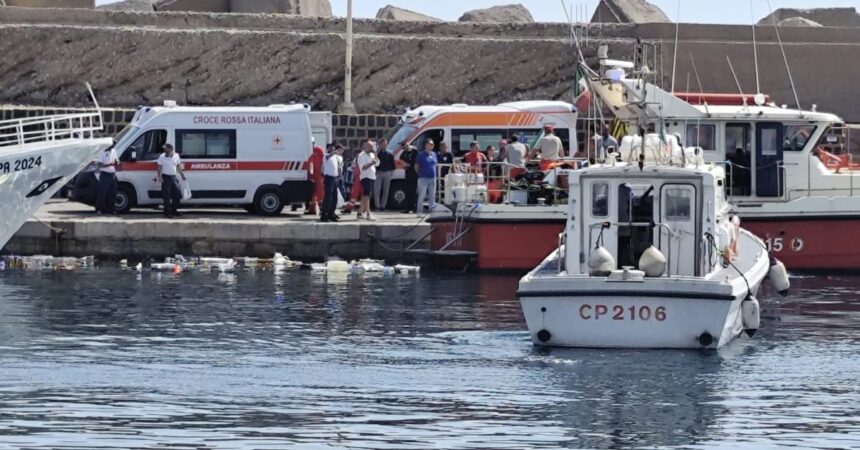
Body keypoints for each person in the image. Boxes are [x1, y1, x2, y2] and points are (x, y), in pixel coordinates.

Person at [156, 143, 186, 218]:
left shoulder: (176, 156)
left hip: (173, 177)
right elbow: (159, 168)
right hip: (165, 177)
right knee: (167, 196)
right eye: (164, 148)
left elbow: (178, 166)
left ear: (170, 149)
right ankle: (167, 213)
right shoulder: (162, 157)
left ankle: (174, 210)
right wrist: (160, 178)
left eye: (166, 148)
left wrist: (182, 175)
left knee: (177, 194)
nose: (164, 150)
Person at [356, 140, 379, 221]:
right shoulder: (361, 156)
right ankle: (368, 213)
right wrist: (371, 163)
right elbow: (363, 168)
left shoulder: (372, 154)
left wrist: (375, 156)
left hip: (372, 176)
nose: (372, 147)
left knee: (366, 195)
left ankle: (359, 212)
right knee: (367, 195)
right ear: (365, 146)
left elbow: (377, 163)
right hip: (365, 177)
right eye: (370, 146)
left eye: (372, 146)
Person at [321, 144, 344, 222]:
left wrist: (339, 176)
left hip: (335, 178)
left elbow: (339, 166)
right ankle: (324, 214)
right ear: (327, 148)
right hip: (328, 178)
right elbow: (328, 157)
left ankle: (331, 213)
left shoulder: (335, 157)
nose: (332, 149)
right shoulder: (326, 155)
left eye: (333, 147)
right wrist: (334, 152)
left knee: (335, 197)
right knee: (328, 197)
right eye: (330, 147)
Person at [415, 140, 438, 215]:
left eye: (431, 144)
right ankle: (419, 211)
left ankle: (432, 212)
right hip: (423, 178)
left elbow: (435, 164)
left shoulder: (434, 154)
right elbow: (416, 166)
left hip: (432, 178)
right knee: (422, 195)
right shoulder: (421, 154)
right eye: (428, 144)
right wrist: (420, 174)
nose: (430, 146)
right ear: (425, 145)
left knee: (432, 196)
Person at [95, 145, 119, 215]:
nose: (113, 146)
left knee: (112, 193)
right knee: (102, 193)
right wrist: (110, 164)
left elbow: (116, 161)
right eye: (112, 144)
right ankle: (99, 209)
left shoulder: (114, 151)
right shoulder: (102, 152)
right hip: (104, 174)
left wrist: (118, 163)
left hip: (112, 174)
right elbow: (99, 165)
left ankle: (111, 210)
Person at [396, 142, 419, 213]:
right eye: (403, 148)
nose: (404, 149)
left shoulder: (415, 152)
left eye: (405, 147)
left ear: (408, 145)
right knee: (408, 191)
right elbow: (401, 161)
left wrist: (408, 164)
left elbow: (415, 163)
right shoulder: (404, 153)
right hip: (408, 174)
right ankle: (408, 208)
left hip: (415, 174)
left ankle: (415, 207)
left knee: (414, 192)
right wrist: (405, 165)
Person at [374, 138, 394, 210]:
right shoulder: (377, 154)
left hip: (387, 172)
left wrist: (391, 173)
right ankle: (377, 206)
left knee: (386, 190)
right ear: (380, 145)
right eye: (383, 144)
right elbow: (374, 163)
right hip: (379, 172)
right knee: (377, 190)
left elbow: (392, 165)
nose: (384, 145)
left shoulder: (390, 154)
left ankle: (383, 206)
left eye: (385, 144)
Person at [306, 141, 325, 215]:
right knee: (318, 194)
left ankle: (314, 209)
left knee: (316, 193)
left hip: (316, 177)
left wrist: (309, 176)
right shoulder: (319, 154)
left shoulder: (313, 154)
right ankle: (316, 208)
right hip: (319, 176)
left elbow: (309, 166)